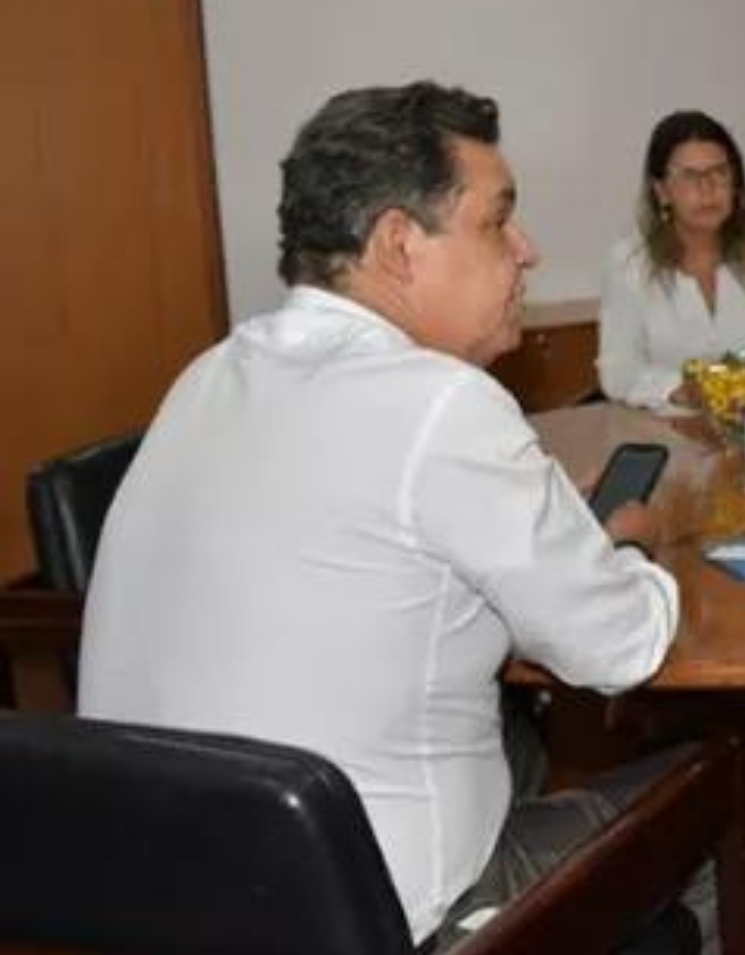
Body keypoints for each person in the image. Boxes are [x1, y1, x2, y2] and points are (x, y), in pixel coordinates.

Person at [77, 83, 707, 953]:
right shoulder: (441, 404)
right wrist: (635, 553)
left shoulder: (210, 374)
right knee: (713, 798)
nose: (526, 251)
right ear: (399, 246)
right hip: (371, 919)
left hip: (162, 904)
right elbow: (618, 648)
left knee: (514, 745)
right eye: (497, 222)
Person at [598, 110, 745, 409]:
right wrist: (684, 390)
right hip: (674, 435)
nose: (708, 189)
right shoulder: (629, 264)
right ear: (661, 191)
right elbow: (618, 373)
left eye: (719, 172)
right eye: (690, 176)